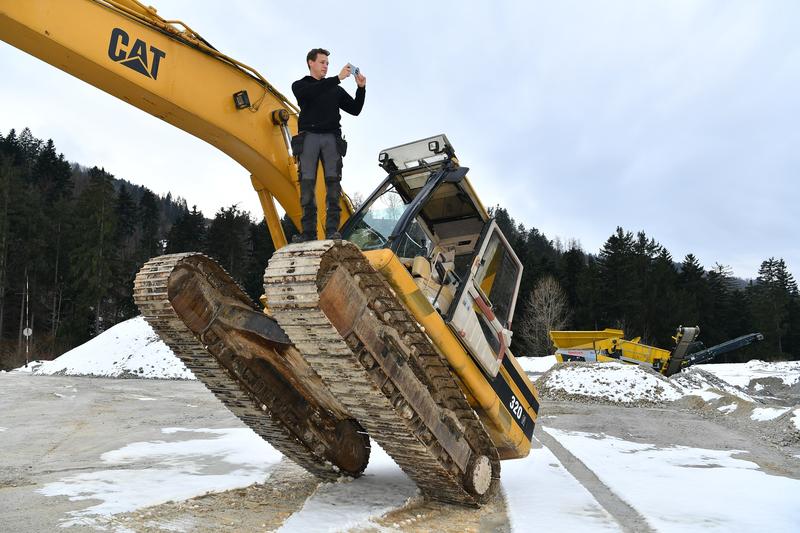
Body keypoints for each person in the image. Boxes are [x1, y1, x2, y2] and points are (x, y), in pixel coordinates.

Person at [291, 48, 366, 241]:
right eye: (322, 62)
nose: (326, 66)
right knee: (307, 187)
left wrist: (361, 89)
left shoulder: (335, 89)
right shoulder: (300, 85)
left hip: (331, 139)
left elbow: (355, 110)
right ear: (311, 63)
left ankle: (333, 231)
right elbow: (310, 93)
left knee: (333, 187)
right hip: (308, 138)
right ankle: (308, 233)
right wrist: (337, 78)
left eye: (327, 63)